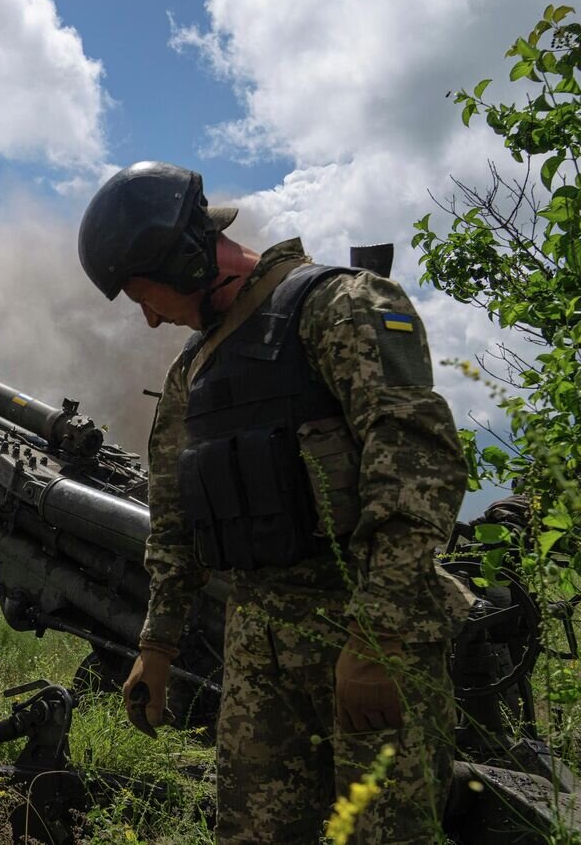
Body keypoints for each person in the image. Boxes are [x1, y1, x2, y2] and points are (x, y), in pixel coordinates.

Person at [78, 161, 471, 843]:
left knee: (385, 833)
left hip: (368, 629)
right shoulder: (192, 374)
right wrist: (159, 644)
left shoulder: (338, 306)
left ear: (188, 257)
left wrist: (380, 638)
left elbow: (415, 467)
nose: (146, 320)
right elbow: (173, 521)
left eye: (147, 295)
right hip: (258, 647)